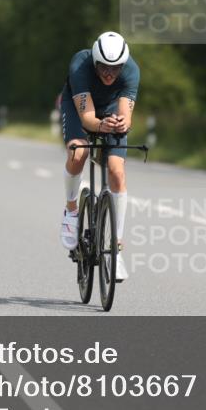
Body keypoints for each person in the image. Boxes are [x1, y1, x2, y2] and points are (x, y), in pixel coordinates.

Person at [59, 31, 139, 282]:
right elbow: (87, 119)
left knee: (116, 170)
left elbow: (126, 114)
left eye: (115, 69)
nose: (109, 73)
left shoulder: (131, 71)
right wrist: (101, 125)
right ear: (94, 61)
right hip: (79, 108)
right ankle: (71, 210)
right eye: (104, 67)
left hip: (110, 109)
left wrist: (120, 123)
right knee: (79, 150)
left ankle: (114, 249)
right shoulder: (80, 65)